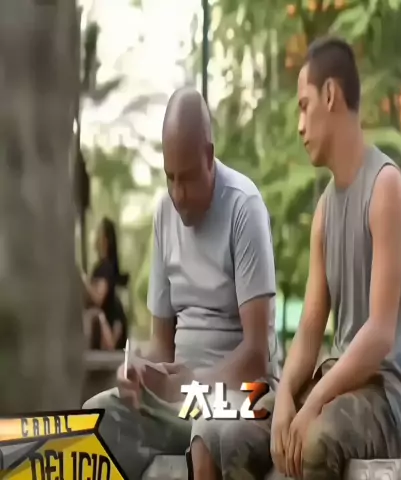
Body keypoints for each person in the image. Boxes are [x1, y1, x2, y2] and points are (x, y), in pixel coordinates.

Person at [83, 87, 280, 480]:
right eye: (169, 178)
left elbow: (257, 354)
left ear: (209, 156)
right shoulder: (163, 214)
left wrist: (191, 384)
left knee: (207, 428)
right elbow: (162, 345)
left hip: (247, 396)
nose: (178, 194)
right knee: (96, 418)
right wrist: (141, 372)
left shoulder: (244, 207)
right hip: (182, 401)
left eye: (187, 179)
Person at [270, 36, 401, 479]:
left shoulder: (385, 186)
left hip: (382, 391)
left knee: (315, 441)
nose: (300, 126)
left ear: (331, 95)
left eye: (304, 106)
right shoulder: (324, 212)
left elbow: (379, 335)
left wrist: (313, 402)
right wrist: (285, 397)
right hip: (335, 381)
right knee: (248, 425)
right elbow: (310, 329)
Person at [83, 217, 128, 351]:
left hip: (109, 331)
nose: (95, 237)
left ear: (105, 240)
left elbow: (98, 299)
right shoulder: (102, 267)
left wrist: (83, 280)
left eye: (98, 233)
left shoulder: (105, 267)